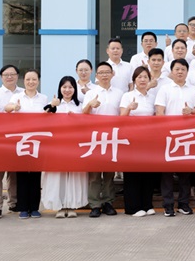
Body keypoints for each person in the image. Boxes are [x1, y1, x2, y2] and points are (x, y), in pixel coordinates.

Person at [155, 58, 195, 217]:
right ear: (172, 72)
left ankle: (184, 203)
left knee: (185, 172)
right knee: (167, 173)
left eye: (183, 69)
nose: (180, 72)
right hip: (168, 135)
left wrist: (191, 111)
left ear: (187, 72)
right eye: (177, 69)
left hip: (187, 135)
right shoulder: (165, 89)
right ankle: (168, 205)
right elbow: (159, 112)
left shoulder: (193, 90)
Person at [81, 61, 124, 218]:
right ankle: (94, 204)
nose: (104, 75)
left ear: (112, 74)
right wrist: (90, 105)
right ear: (96, 75)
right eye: (101, 72)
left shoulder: (119, 93)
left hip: (112, 137)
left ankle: (108, 202)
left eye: (107, 72)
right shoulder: (90, 93)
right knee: (94, 175)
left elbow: (122, 114)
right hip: (95, 138)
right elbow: (83, 114)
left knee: (109, 173)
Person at [41, 76, 88, 218]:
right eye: (64, 87)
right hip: (56, 146)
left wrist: (76, 118)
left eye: (70, 87)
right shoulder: (54, 104)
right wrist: (52, 105)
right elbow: (41, 118)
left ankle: (72, 206)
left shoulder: (80, 106)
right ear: (60, 89)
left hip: (74, 145)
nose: (67, 90)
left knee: (74, 175)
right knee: (57, 176)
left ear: (75, 89)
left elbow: (87, 124)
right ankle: (59, 207)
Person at [6, 69, 48, 218]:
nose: (31, 82)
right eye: (28, 79)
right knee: (22, 175)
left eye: (34, 79)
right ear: (24, 81)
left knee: (36, 175)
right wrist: (14, 107)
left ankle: (34, 207)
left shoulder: (43, 98)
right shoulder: (17, 96)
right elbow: (6, 108)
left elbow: (48, 115)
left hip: (37, 141)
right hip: (21, 141)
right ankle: (23, 207)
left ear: (38, 81)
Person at [119, 66, 158, 217]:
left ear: (149, 80)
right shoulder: (127, 96)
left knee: (148, 173)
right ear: (134, 80)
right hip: (131, 140)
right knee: (133, 174)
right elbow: (121, 118)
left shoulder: (152, 97)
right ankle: (132, 207)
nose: (142, 80)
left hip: (148, 140)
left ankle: (147, 205)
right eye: (139, 77)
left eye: (145, 77)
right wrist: (129, 108)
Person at [0, 63, 21, 218]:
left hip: (18, 138)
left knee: (14, 174)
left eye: (12, 74)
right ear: (1, 77)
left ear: (17, 76)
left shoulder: (23, 92)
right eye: (6, 75)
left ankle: (13, 203)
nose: (9, 77)